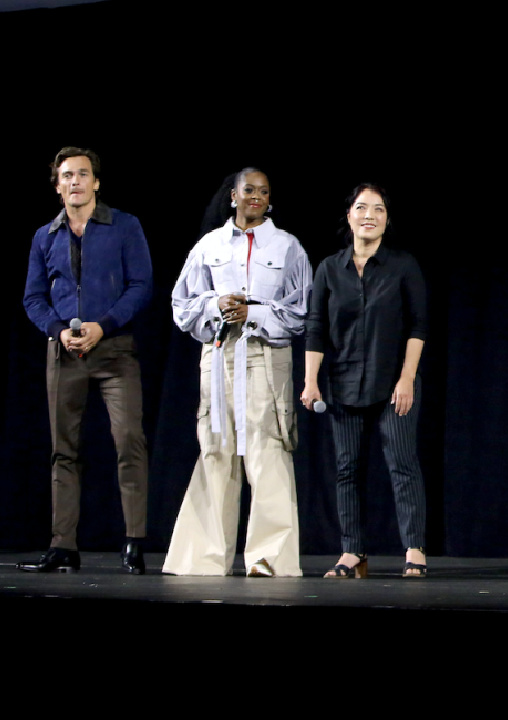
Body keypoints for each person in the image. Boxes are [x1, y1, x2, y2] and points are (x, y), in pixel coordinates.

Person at [164, 168, 311, 577]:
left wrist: (255, 312)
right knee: (216, 449)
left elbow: (301, 310)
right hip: (219, 353)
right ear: (233, 195)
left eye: (264, 192)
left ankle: (269, 559)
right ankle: (205, 558)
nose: (257, 197)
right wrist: (216, 305)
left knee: (269, 450)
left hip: (266, 355)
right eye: (250, 190)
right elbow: (182, 305)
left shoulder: (287, 247)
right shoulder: (208, 246)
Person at [19, 146, 153, 574]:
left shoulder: (124, 226)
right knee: (64, 450)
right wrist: (59, 330)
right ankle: (63, 545)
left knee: (129, 442)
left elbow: (141, 285)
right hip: (65, 351)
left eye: (82, 174)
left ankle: (133, 541)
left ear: (96, 182)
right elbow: (33, 297)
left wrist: (104, 324)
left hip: (114, 350)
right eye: (66, 176)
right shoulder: (46, 235)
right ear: (57, 186)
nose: (74, 181)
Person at [302, 184, 429, 579]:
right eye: (361, 207)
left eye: (378, 209)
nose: (369, 215)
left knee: (402, 464)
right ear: (349, 217)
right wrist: (310, 381)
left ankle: (414, 549)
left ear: (387, 220)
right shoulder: (329, 269)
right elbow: (316, 327)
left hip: (394, 384)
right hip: (343, 383)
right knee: (347, 469)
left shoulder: (402, 265)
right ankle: (353, 552)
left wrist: (407, 378)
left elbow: (418, 324)